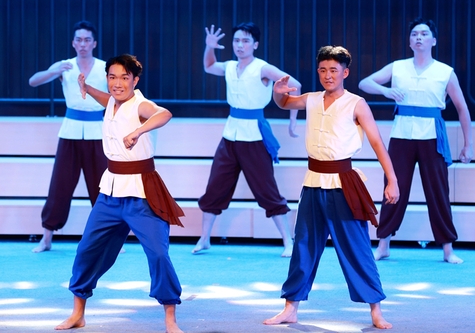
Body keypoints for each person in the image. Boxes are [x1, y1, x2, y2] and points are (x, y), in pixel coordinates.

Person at [263, 45, 399, 329]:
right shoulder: (311, 99)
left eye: (334, 70)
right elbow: (285, 103)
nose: (328, 75)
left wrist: (392, 180)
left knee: (356, 248)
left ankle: (376, 310)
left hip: (344, 184)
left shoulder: (356, 104)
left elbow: (377, 143)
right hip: (313, 183)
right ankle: (290, 308)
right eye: (323, 70)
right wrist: (278, 92)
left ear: (345, 73)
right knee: (303, 247)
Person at [55, 54, 185, 333]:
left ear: (135, 80)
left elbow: (164, 113)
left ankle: (170, 319)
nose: (117, 83)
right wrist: (87, 89)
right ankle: (78, 313)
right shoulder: (113, 101)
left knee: (158, 254)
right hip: (110, 193)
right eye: (112, 77)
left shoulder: (141, 104)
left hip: (142, 193)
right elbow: (108, 100)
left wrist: (139, 131)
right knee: (87, 250)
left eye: (124, 78)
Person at [358, 18, 473, 264]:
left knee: (438, 192)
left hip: (432, 136)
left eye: (424, 33)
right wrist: (386, 91)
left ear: (434, 40)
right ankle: (383, 244)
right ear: (410, 42)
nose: (418, 37)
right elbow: (364, 83)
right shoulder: (398, 67)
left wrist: (468, 144)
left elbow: (463, 109)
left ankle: (448, 249)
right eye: (414, 34)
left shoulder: (445, 72)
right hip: (401, 135)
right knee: (393, 188)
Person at [193, 22, 301, 257]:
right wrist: (209, 47)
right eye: (236, 40)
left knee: (267, 190)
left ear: (255, 44)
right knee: (215, 187)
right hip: (230, 135)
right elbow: (209, 66)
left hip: (254, 137)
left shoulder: (262, 68)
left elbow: (295, 85)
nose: (240, 45)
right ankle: (204, 239)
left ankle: (288, 241)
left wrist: (293, 120)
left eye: (245, 41)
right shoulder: (230, 66)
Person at [28, 20, 108, 252]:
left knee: (102, 186)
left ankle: (111, 237)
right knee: (60, 185)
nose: (83, 44)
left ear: (94, 43)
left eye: (87, 40)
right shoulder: (65, 65)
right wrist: (55, 71)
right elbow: (33, 81)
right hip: (70, 132)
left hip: (97, 132)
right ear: (73, 43)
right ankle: (46, 237)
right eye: (79, 40)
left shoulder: (105, 67)